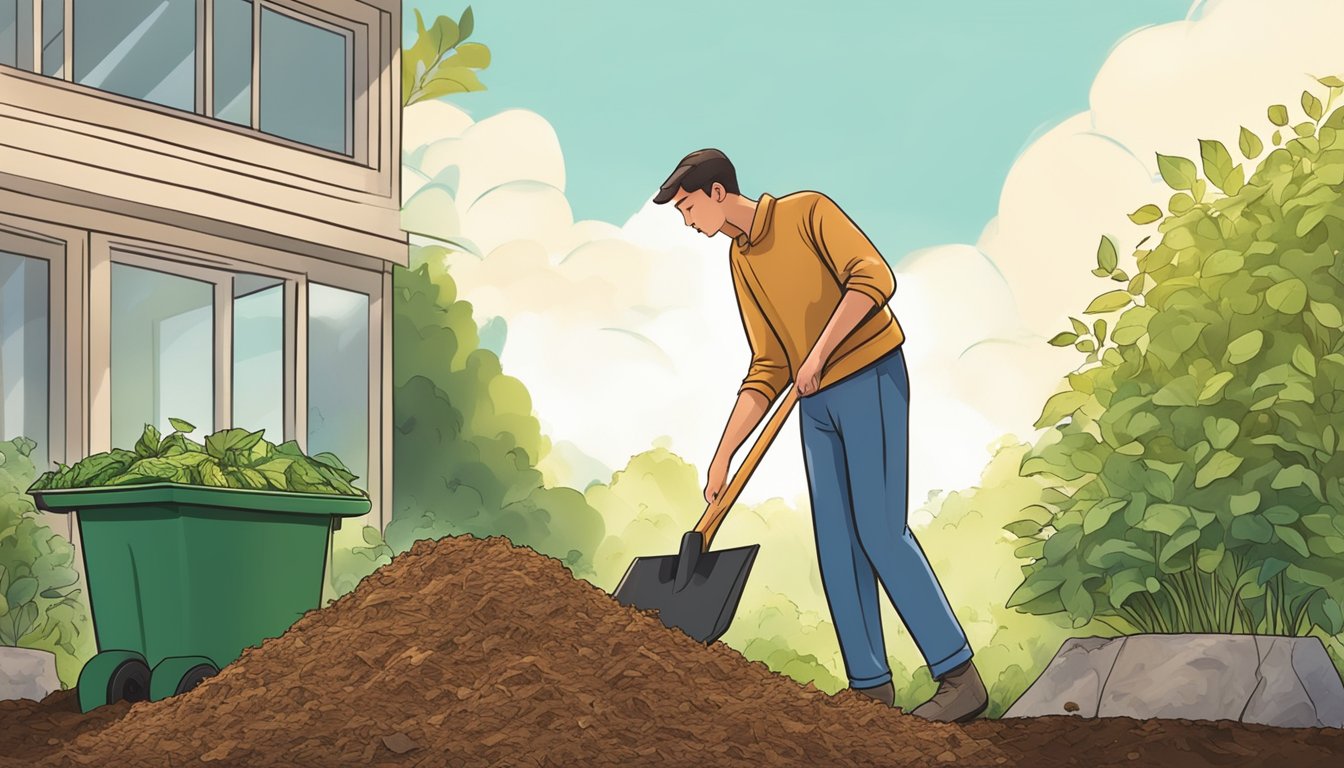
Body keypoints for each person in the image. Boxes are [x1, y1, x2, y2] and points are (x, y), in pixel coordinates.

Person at [653, 148, 988, 723]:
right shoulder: (741, 259)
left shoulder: (806, 213)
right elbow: (767, 364)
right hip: (813, 404)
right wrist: (722, 456)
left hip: (868, 376)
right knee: (836, 542)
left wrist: (822, 352)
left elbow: (872, 277)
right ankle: (870, 690)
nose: (688, 222)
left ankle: (959, 676)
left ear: (715, 192)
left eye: (687, 208)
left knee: (881, 533)